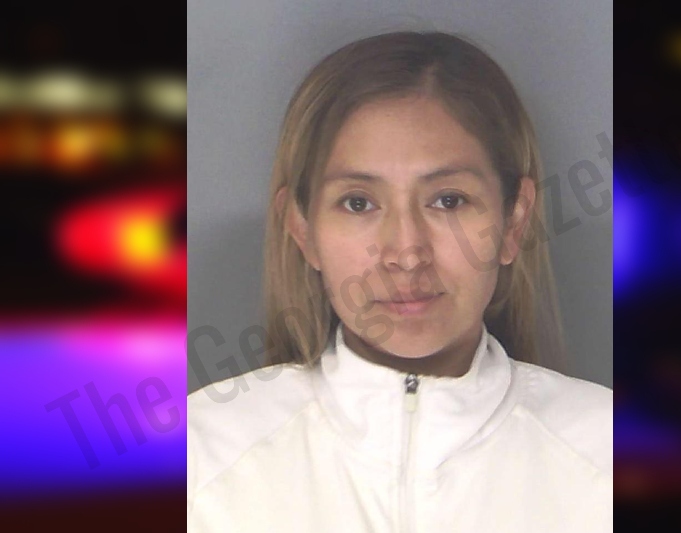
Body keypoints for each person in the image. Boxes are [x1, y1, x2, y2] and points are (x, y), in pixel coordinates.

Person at [187, 31, 612, 533]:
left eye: (448, 201)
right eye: (358, 203)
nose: (407, 254)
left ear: (513, 222)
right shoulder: (201, 459)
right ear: (302, 229)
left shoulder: (607, 457)